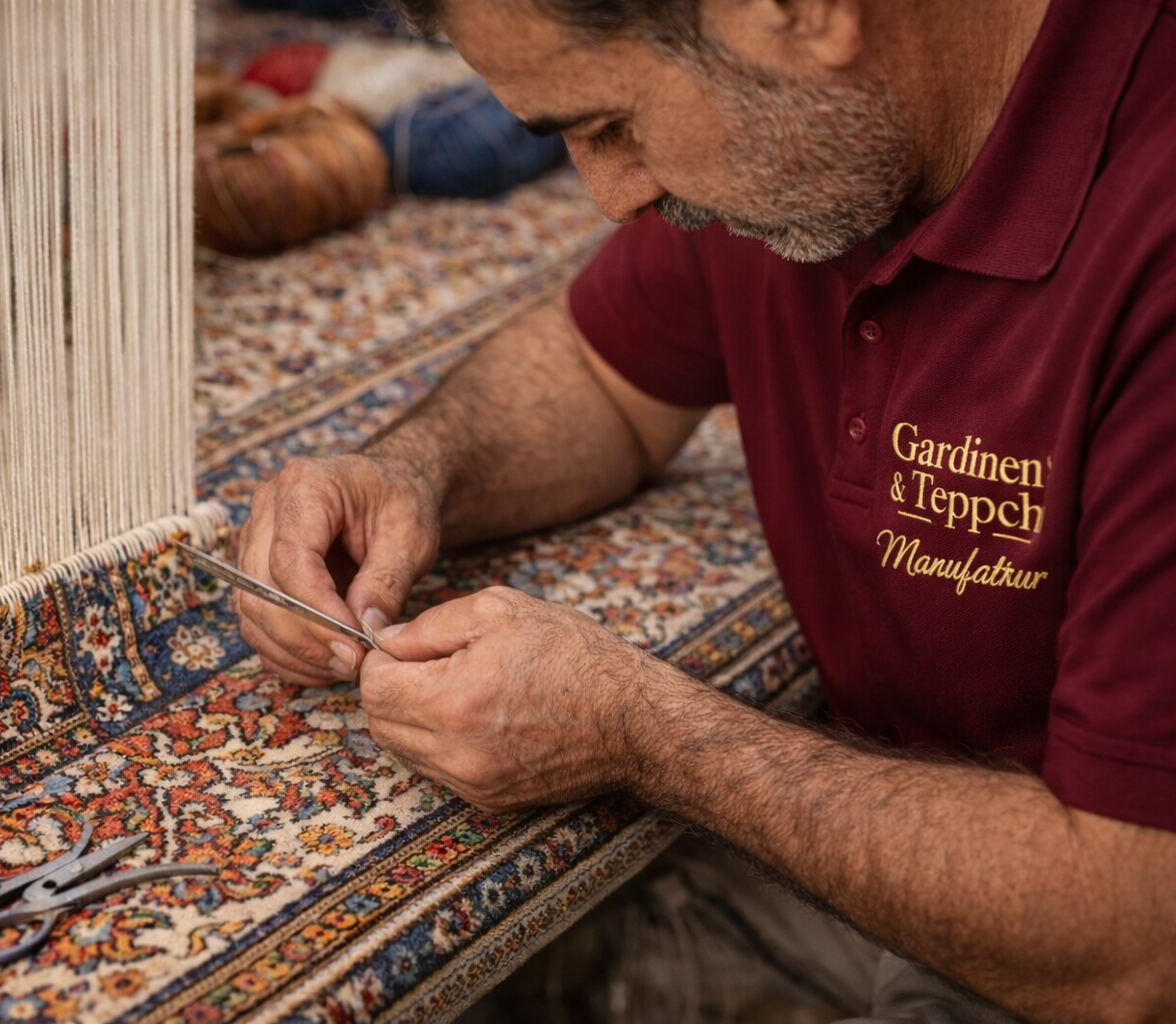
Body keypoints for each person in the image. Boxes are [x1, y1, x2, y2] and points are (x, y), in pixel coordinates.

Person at [233, 0, 1176, 1020]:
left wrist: (640, 730)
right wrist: (413, 471)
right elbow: (601, 375)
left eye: (610, 124)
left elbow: (1128, 939)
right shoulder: (814, 127)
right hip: (892, 866)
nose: (608, 195)